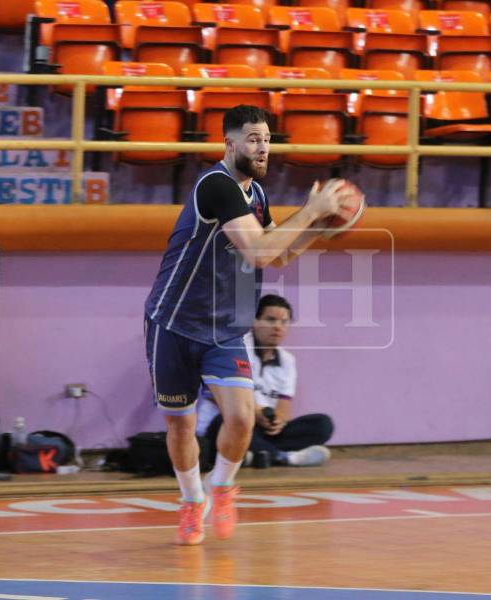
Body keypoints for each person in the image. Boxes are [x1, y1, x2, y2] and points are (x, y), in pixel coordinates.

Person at [144, 105, 357, 546]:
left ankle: (222, 488)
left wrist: (317, 225)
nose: (262, 147)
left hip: (225, 327)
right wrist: (311, 208)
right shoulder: (217, 186)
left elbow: (278, 255)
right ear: (231, 144)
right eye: (254, 139)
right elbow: (259, 252)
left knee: (241, 418)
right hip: (174, 321)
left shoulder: (255, 194)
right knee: (180, 425)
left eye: (267, 139)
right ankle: (190, 500)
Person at [198, 294, 335, 468]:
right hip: (226, 423)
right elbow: (214, 395)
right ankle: (283, 456)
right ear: (254, 321)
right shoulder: (232, 348)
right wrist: (255, 412)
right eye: (270, 320)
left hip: (259, 430)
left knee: (322, 424)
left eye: (283, 322)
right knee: (229, 422)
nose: (277, 327)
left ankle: (253, 455)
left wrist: (278, 421)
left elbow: (284, 410)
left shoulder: (287, 360)